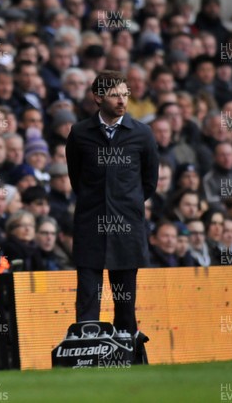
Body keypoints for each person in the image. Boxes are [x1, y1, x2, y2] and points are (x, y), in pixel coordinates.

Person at [66, 70, 158, 363]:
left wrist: (124, 206)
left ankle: (127, 360)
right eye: (115, 95)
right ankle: (86, 360)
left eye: (125, 94)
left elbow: (149, 182)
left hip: (127, 230)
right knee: (87, 300)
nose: (122, 101)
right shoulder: (80, 133)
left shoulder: (142, 133)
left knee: (125, 302)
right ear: (97, 97)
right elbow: (76, 178)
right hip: (90, 227)